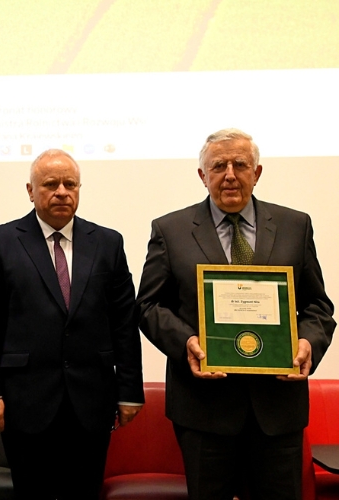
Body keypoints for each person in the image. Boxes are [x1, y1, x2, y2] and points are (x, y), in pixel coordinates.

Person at [136, 128, 335, 500]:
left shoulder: (295, 226)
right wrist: (187, 343)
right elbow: (148, 305)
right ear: (203, 175)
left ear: (256, 173)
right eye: (218, 166)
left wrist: (308, 342)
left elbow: (318, 306)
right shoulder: (171, 230)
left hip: (278, 410)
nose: (229, 174)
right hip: (204, 410)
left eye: (240, 164)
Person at [0, 149, 144, 499]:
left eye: (70, 184)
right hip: (24, 401)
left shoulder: (108, 242)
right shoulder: (0, 241)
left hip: (92, 400)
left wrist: (129, 391)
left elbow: (125, 321)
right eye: (50, 184)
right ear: (31, 191)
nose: (62, 191)